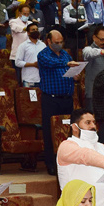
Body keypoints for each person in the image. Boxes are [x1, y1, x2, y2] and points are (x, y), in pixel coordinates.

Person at [33, 29, 77, 175]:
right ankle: (51, 164)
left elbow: (68, 68)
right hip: (51, 99)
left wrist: (75, 75)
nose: (59, 45)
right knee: (50, 132)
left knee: (67, 132)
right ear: (49, 41)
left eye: (61, 42)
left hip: (67, 98)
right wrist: (68, 63)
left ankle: (68, 162)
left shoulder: (65, 54)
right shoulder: (43, 54)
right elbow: (53, 63)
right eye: (56, 42)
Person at [80, 25, 104, 112]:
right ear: (94, 37)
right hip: (93, 94)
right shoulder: (88, 50)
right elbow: (90, 53)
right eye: (101, 39)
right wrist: (101, 52)